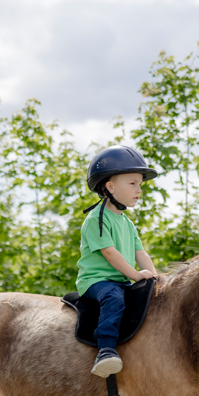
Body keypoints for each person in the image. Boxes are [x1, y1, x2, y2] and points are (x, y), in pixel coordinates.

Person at [77, 145, 160, 377]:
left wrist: (153, 275)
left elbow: (140, 253)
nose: (139, 190)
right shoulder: (97, 218)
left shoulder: (126, 222)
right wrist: (135, 275)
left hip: (121, 280)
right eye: (132, 183)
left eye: (140, 184)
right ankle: (105, 350)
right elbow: (110, 253)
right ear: (110, 187)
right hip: (98, 281)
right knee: (113, 298)